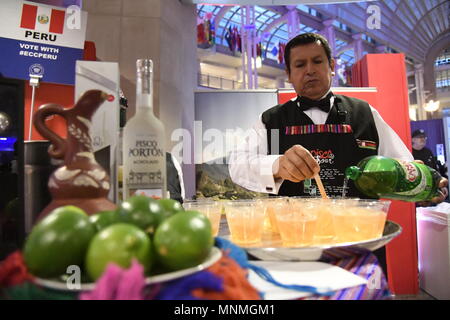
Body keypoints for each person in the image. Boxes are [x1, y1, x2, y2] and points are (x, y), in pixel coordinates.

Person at [229, 32, 448, 275]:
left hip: (358, 242)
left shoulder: (365, 113)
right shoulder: (271, 120)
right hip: (294, 245)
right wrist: (276, 165)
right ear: (289, 75)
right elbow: (238, 164)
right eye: (300, 65)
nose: (310, 70)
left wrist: (421, 184)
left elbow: (402, 164)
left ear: (332, 66)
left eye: (317, 61)